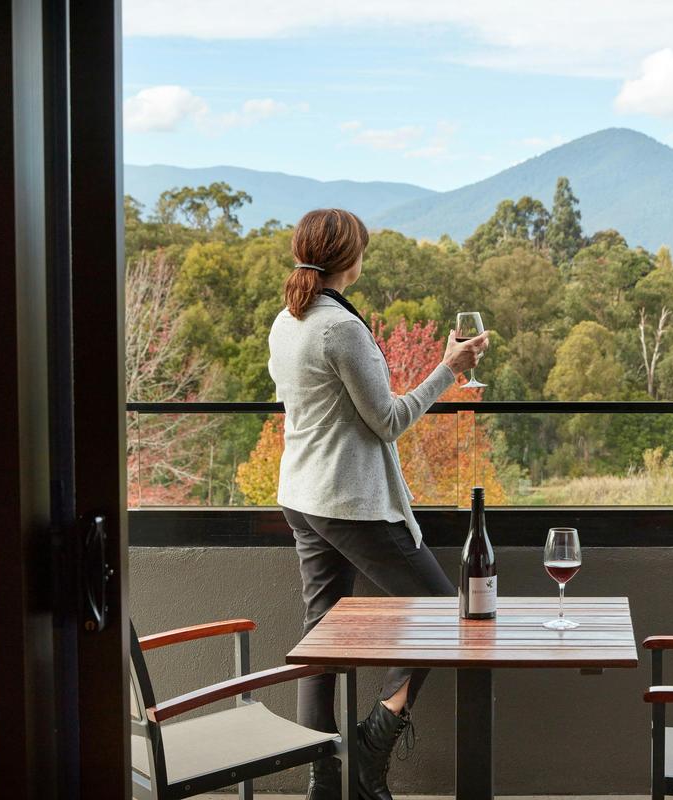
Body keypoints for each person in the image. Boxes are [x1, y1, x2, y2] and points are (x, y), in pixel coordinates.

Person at [268, 208, 489, 800]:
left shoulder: (287, 320)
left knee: (321, 636)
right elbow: (388, 421)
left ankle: (324, 780)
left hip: (302, 496)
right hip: (349, 501)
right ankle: (371, 745)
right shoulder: (340, 328)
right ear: (351, 258)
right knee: (445, 609)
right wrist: (449, 368)